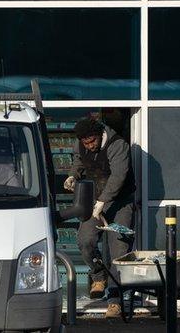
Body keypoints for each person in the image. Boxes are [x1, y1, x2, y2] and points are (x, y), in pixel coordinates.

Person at [64, 117, 135, 318]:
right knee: (85, 240)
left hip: (120, 201)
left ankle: (114, 300)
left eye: (92, 142)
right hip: (96, 199)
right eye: (85, 143)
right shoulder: (81, 144)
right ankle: (98, 275)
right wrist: (73, 175)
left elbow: (119, 176)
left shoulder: (118, 145)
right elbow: (78, 160)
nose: (89, 146)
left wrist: (103, 201)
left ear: (99, 135)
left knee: (119, 251)